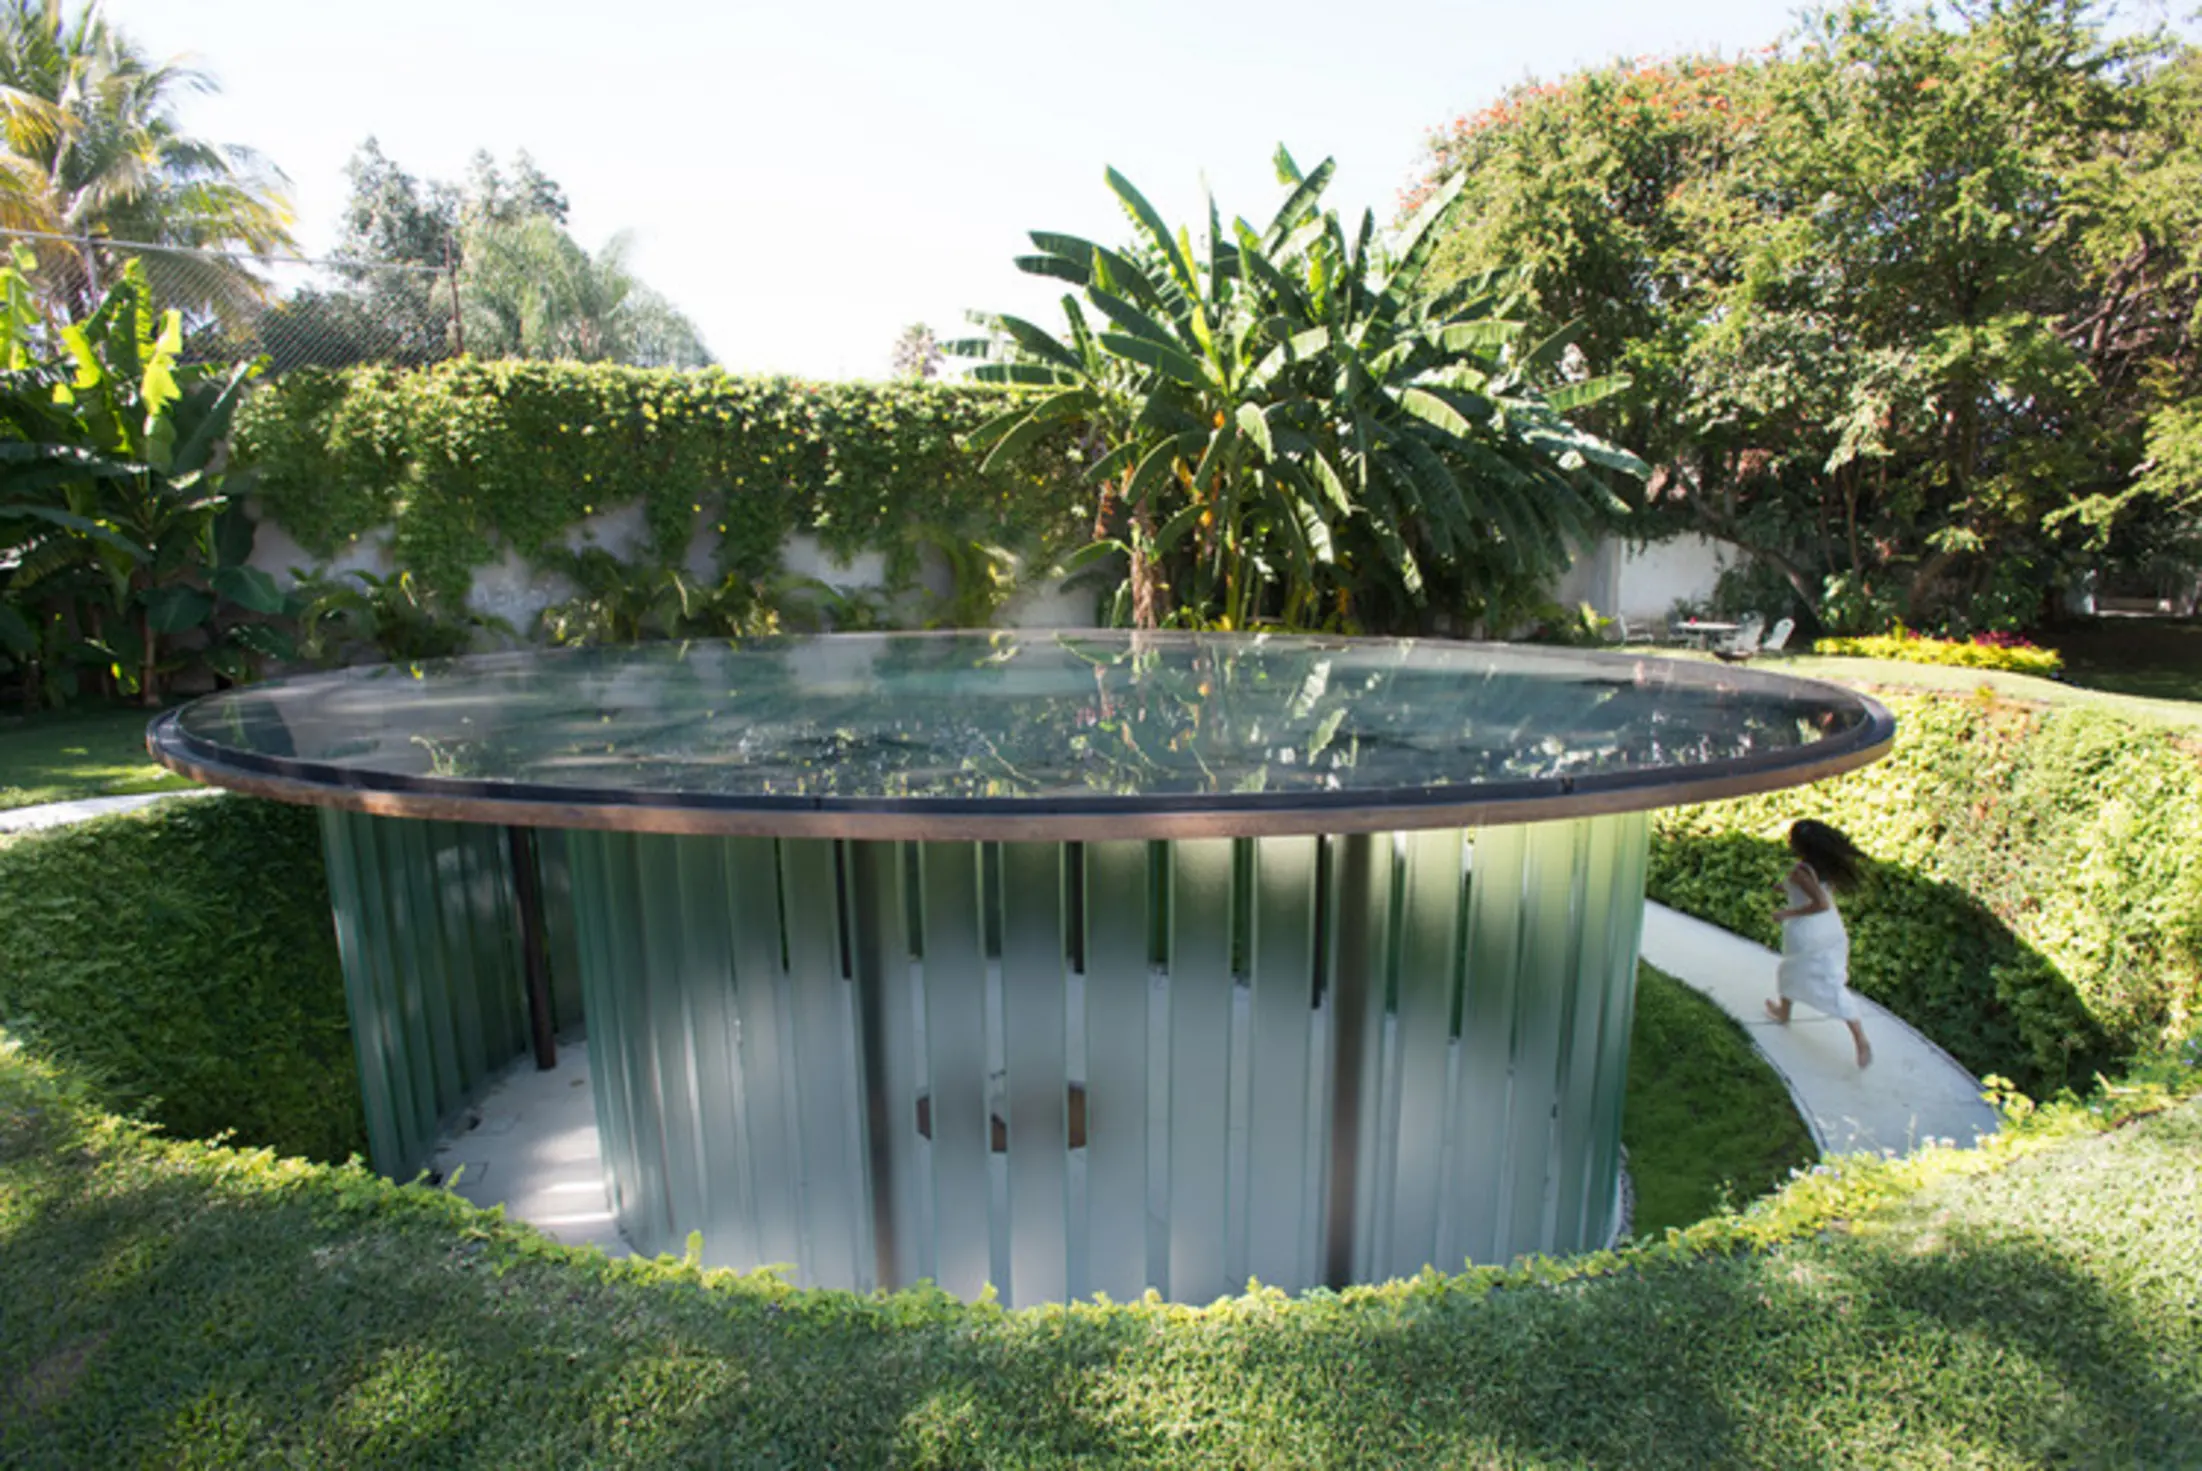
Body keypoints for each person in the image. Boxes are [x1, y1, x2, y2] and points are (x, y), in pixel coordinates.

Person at [1764, 819, 1872, 1068]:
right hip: (1831, 930)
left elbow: (1819, 902)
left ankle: (1784, 1012)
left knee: (1792, 970)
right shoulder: (1820, 868)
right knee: (1829, 981)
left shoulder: (1801, 872)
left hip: (1808, 931)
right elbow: (1813, 892)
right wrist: (1785, 888)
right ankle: (1859, 1039)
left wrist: (1785, 914)